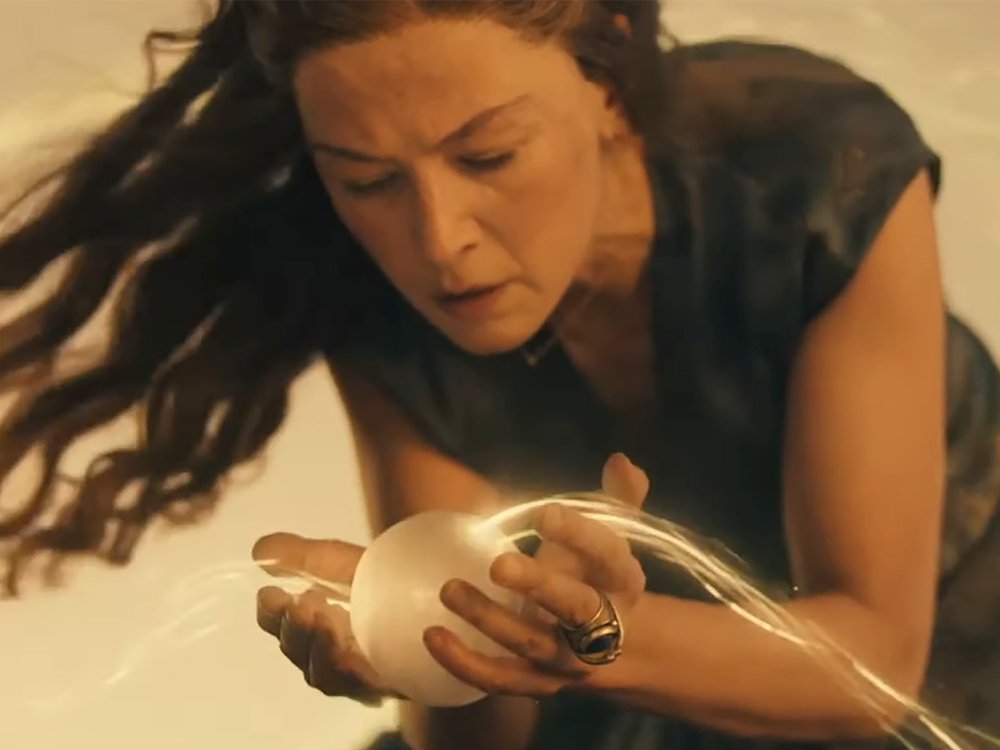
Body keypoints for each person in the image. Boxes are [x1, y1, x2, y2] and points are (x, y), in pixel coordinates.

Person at [1, 1, 999, 748]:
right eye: (367, 179)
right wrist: (428, 654)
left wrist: (592, 643)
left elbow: (873, 661)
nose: (439, 243)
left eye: (487, 155)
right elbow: (478, 743)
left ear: (607, 81)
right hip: (628, 699)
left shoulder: (814, 166)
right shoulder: (366, 294)